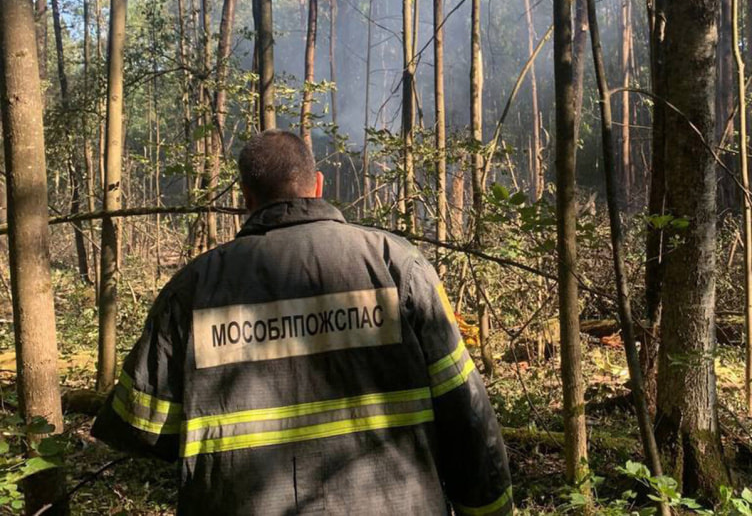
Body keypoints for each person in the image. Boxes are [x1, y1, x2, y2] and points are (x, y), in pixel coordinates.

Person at [91, 129, 512, 515]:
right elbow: (465, 414)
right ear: (318, 185)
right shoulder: (398, 266)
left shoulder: (193, 290)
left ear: (246, 198)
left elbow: (142, 426)